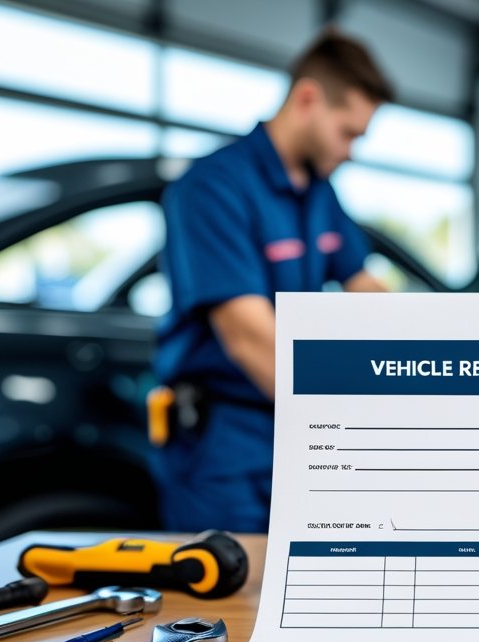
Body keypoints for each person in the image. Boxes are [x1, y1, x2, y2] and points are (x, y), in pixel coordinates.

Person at [153, 29, 393, 533]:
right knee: (233, 601)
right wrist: (355, 423)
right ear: (308, 99)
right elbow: (251, 338)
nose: (352, 151)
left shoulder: (319, 192)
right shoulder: (212, 188)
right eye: (348, 132)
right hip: (226, 443)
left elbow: (365, 288)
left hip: (294, 427)